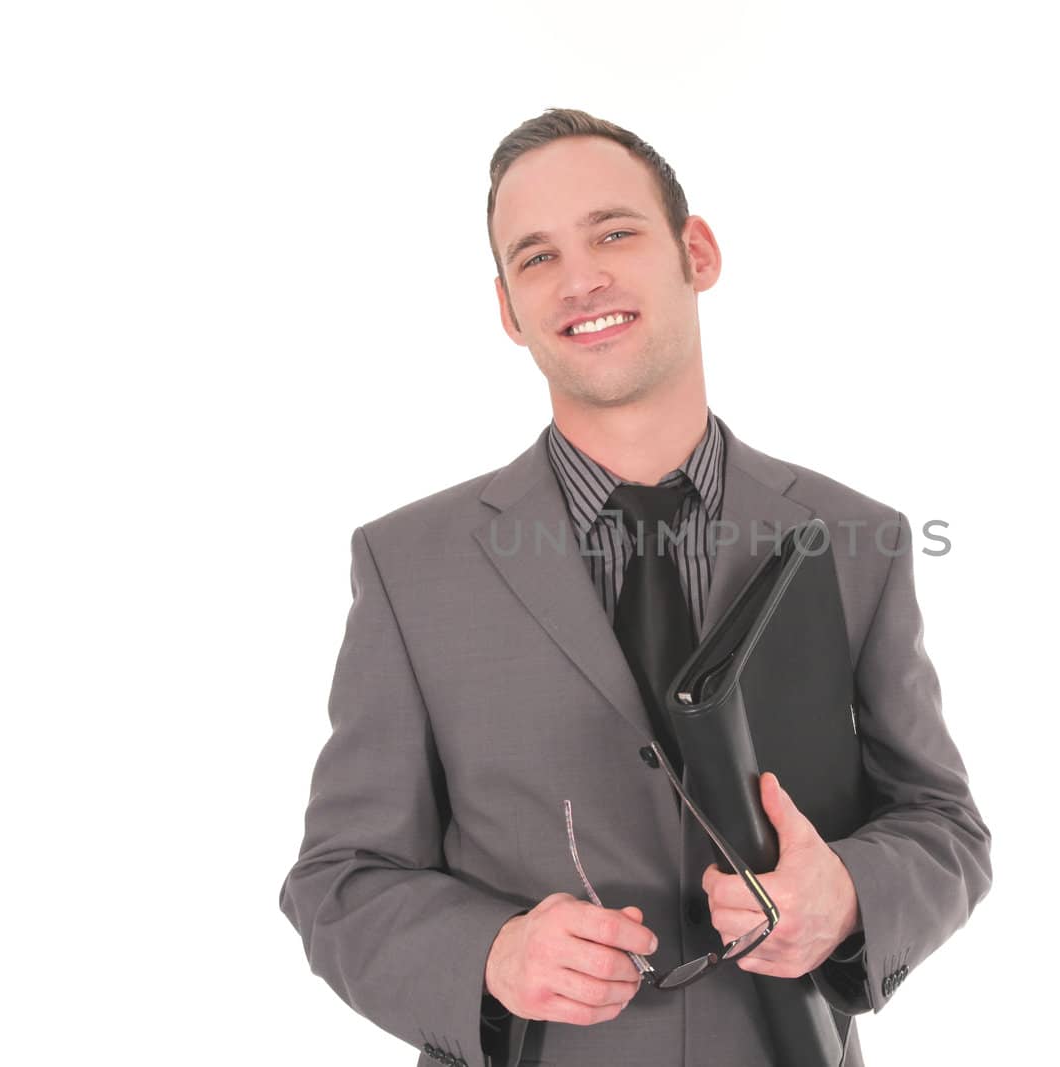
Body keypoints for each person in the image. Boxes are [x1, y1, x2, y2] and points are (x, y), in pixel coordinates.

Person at [278, 108, 992, 1067]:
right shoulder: (409, 565)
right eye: (536, 258)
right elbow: (340, 877)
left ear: (696, 251)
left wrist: (850, 895)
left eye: (614, 232)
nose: (582, 279)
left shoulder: (856, 537)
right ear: (507, 311)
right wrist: (491, 953)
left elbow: (943, 823)